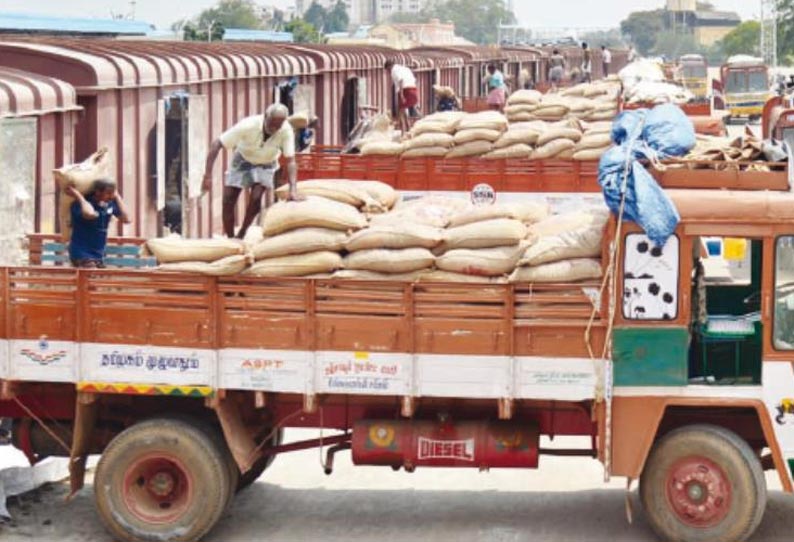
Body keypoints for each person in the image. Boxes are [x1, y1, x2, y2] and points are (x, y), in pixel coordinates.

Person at [202, 103, 300, 240]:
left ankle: (242, 232)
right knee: (228, 198)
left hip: (266, 163)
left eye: (278, 126)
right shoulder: (248, 125)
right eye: (272, 123)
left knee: (256, 198)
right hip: (243, 159)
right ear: (266, 116)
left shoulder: (286, 130)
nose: (274, 128)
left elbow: (291, 160)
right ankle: (231, 238)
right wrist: (207, 176)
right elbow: (217, 143)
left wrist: (293, 189)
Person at [65, 179, 131, 268]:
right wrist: (79, 196)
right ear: (97, 192)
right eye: (108, 193)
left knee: (102, 279)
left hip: (98, 254)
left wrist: (118, 197)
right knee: (91, 276)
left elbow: (127, 219)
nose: (111, 196)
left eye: (113, 193)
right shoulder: (81, 204)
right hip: (81, 252)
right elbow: (90, 214)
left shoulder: (109, 204)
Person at [385, 59, 418, 134]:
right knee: (403, 109)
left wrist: (402, 95)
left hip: (405, 89)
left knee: (400, 111)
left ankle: (403, 131)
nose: (388, 72)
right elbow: (413, 79)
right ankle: (408, 128)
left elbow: (401, 80)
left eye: (387, 70)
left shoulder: (394, 70)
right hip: (413, 88)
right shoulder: (405, 68)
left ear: (389, 67)